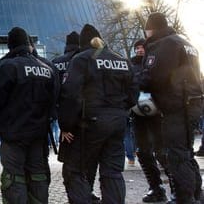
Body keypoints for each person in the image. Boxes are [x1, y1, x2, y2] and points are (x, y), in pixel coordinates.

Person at [59, 24, 137, 204]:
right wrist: (118, 111)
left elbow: (70, 94)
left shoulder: (82, 59)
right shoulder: (122, 60)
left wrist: (66, 125)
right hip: (118, 123)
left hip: (89, 124)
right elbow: (133, 95)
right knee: (112, 172)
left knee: (75, 171)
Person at [0, 27, 58, 203]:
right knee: (37, 175)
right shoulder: (46, 68)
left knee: (14, 178)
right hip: (39, 135)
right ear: (28, 44)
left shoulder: (9, 67)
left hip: (14, 134)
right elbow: (53, 101)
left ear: (10, 45)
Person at [138, 12, 203, 203]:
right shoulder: (185, 42)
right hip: (192, 102)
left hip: (175, 105)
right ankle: (197, 193)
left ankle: (184, 198)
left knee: (177, 156)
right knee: (186, 152)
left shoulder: (164, 44)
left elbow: (154, 75)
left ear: (151, 28)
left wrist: (136, 82)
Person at [130, 39, 169, 202]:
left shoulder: (154, 63)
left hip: (157, 114)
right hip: (138, 116)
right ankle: (155, 187)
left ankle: (177, 186)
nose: (140, 50)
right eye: (137, 48)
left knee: (162, 152)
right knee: (143, 152)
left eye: (142, 47)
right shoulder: (130, 65)